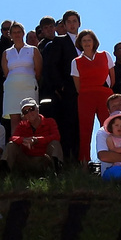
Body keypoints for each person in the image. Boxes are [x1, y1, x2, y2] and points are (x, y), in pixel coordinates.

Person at [39, 12, 80, 162]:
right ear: (64, 24)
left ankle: (80, 160)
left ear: (79, 23)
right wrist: (60, 86)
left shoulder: (85, 41)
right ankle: (68, 160)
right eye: (68, 22)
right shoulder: (59, 41)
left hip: (84, 91)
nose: (72, 24)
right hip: (68, 91)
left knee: (81, 126)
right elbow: (51, 66)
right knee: (68, 125)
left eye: (74, 21)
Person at [72, 30, 112, 163]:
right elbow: (77, 85)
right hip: (85, 97)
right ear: (80, 43)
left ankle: (109, 161)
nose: (87, 43)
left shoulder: (105, 55)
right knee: (85, 130)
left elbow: (112, 77)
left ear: (94, 42)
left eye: (89, 40)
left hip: (104, 95)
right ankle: (84, 162)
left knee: (108, 128)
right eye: (84, 41)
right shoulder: (76, 61)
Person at [2, 98, 61, 174]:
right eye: (25, 111)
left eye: (31, 109)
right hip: (26, 160)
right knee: (11, 145)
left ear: (37, 109)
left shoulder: (50, 122)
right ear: (24, 115)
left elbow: (56, 136)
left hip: (45, 159)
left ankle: (57, 171)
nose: (29, 113)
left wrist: (37, 140)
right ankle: (4, 174)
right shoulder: (22, 125)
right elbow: (13, 138)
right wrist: (24, 140)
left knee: (55, 143)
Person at [0, 23, 40, 125]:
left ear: (23, 33)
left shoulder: (33, 50)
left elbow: (38, 70)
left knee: (29, 118)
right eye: (14, 32)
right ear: (10, 35)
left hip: (29, 86)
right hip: (12, 89)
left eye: (19, 32)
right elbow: (6, 72)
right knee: (15, 120)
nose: (17, 35)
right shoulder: (6, 53)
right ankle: (15, 140)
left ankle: (30, 140)